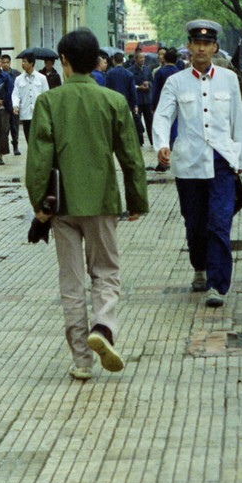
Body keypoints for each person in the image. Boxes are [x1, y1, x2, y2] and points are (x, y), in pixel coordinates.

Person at [25, 28, 149, 380]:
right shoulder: (113, 102)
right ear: (97, 62)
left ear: (63, 61)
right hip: (103, 201)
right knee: (106, 272)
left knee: (71, 281)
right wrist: (136, 199)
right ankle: (104, 328)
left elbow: (38, 160)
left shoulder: (49, 102)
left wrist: (39, 206)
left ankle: (81, 359)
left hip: (61, 206)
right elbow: (131, 156)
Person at [153, 20, 242, 307]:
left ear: (215, 47)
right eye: (197, 43)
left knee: (219, 223)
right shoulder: (176, 82)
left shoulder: (229, 79)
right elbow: (162, 116)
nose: (202, 48)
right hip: (189, 163)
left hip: (221, 162)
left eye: (208, 43)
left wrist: (240, 159)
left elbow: (238, 121)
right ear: (189, 47)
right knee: (194, 224)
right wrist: (162, 145)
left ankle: (218, 285)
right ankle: (200, 267)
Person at [151, 47, 180, 171]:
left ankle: (164, 158)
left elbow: (156, 90)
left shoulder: (160, 72)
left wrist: (153, 106)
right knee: (175, 130)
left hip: (162, 106)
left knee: (163, 130)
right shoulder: (179, 72)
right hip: (178, 107)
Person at [12, 52, 49, 143]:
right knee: (29, 138)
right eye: (22, 61)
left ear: (31, 63)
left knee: (39, 138)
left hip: (39, 113)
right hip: (26, 113)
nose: (22, 64)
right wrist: (15, 105)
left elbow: (46, 94)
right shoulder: (18, 79)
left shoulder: (42, 78)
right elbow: (16, 94)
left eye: (25, 61)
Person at [129, 49, 154, 146]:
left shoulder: (147, 69)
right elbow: (131, 85)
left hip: (147, 100)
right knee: (137, 122)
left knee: (150, 121)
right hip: (137, 100)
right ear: (136, 59)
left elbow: (152, 81)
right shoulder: (130, 71)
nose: (142, 60)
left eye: (143, 58)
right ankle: (139, 142)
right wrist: (138, 87)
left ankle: (152, 141)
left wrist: (149, 84)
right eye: (140, 58)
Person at [1, 54, 22, 155]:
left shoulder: (17, 74)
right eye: (3, 62)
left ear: (10, 63)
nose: (5, 64)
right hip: (4, 105)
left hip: (14, 104)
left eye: (7, 62)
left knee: (15, 126)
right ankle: (5, 148)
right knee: (4, 128)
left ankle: (16, 146)